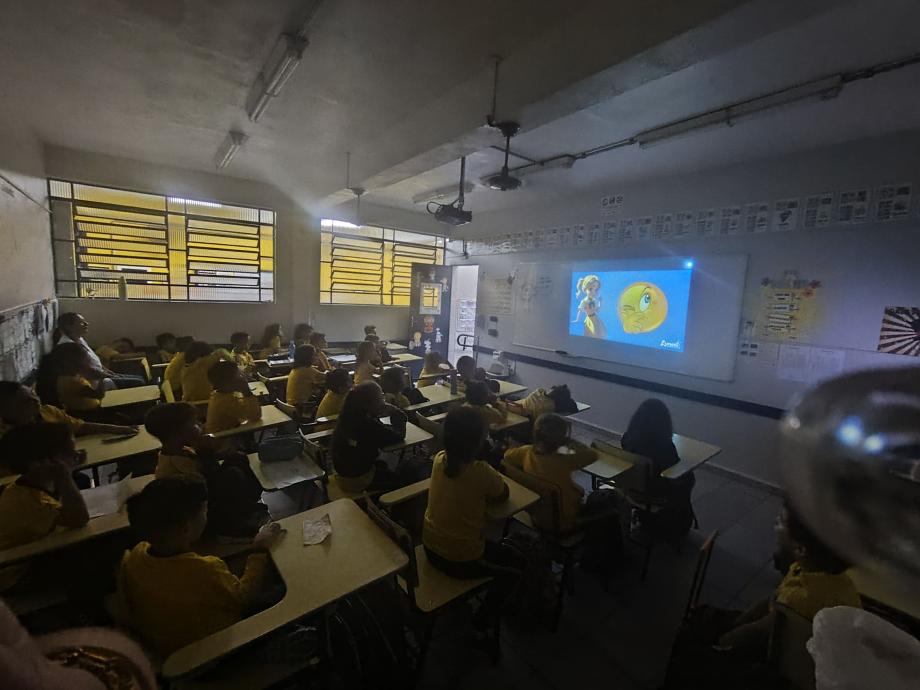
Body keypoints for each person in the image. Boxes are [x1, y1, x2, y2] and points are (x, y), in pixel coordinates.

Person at [665, 503, 862, 688]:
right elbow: (773, 599)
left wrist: (721, 642)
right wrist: (739, 620)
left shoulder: (799, 602)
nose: (776, 522)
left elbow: (753, 632)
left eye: (781, 522)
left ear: (801, 549)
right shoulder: (835, 579)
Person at [116, 477, 276, 657]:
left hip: (164, 645)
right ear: (186, 528)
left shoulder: (136, 555)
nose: (207, 514)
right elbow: (244, 598)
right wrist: (259, 550)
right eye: (204, 510)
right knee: (275, 596)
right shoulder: (206, 570)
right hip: (209, 652)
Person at [422, 407, 522, 634]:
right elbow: (503, 494)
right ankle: (481, 625)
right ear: (478, 441)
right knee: (516, 567)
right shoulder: (481, 471)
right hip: (460, 557)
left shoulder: (439, 459)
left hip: (429, 545)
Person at [145, 403, 267, 538]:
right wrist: (206, 452)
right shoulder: (173, 466)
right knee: (232, 475)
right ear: (177, 432)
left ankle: (246, 507)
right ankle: (232, 528)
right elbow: (205, 486)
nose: (200, 426)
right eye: (194, 423)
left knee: (237, 458)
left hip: (207, 493)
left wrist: (207, 449)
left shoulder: (182, 450)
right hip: (198, 514)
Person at [0, 424, 89, 589]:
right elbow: (79, 518)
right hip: (17, 572)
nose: (77, 455)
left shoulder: (33, 485)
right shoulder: (25, 500)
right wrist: (65, 477)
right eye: (70, 453)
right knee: (96, 554)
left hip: (36, 554)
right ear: (41, 463)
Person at [503, 414, 599, 531]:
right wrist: (569, 442)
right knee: (607, 499)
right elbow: (593, 455)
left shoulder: (526, 452)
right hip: (566, 520)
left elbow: (507, 456)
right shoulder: (567, 459)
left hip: (536, 514)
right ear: (561, 439)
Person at [620, 399, 695, 522]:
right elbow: (675, 468)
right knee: (688, 477)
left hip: (630, 491)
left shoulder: (627, 439)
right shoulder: (665, 447)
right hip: (655, 495)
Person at [330, 382, 410, 493]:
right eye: (381, 398)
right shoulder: (367, 425)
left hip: (341, 474)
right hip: (358, 480)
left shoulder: (348, 417)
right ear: (369, 404)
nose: (383, 401)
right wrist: (395, 411)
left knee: (385, 464)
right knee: (404, 481)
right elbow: (398, 437)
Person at [0, 381, 136, 440]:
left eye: (33, 394)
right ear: (6, 410)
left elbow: (81, 426)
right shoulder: (5, 436)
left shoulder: (48, 411)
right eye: (26, 401)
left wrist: (120, 429)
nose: (35, 401)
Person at [54, 313, 145, 389]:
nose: (87, 324)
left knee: (140, 378)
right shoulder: (68, 347)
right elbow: (87, 372)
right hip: (96, 383)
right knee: (139, 382)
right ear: (70, 327)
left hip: (102, 375)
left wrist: (108, 371)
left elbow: (93, 359)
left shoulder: (79, 339)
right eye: (82, 323)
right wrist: (108, 376)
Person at [36, 342, 108, 418]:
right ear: (76, 361)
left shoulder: (68, 375)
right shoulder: (71, 381)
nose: (90, 360)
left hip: (93, 408)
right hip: (89, 415)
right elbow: (100, 395)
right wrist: (100, 377)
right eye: (86, 358)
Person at [205, 361, 261, 434]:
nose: (242, 377)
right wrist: (246, 391)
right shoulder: (225, 401)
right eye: (238, 375)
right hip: (224, 438)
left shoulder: (220, 395)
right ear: (229, 380)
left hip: (227, 433)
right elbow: (255, 415)